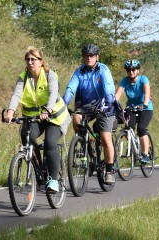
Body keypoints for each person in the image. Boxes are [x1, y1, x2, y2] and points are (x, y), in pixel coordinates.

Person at [4, 46, 71, 193]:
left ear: (41, 61)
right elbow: (16, 95)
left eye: (33, 59)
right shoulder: (23, 77)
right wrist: (10, 112)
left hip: (55, 117)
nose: (30, 62)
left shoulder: (49, 75)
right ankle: (39, 169)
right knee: (26, 137)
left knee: (50, 142)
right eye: (27, 59)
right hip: (35, 118)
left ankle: (53, 180)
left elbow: (53, 93)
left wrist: (48, 110)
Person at [62, 44, 116, 184]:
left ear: (97, 57)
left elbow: (109, 87)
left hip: (104, 107)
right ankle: (84, 143)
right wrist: (63, 104)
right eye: (86, 56)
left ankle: (109, 171)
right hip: (85, 107)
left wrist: (109, 102)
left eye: (91, 56)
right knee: (76, 118)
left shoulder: (103, 70)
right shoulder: (79, 71)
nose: (89, 58)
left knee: (105, 137)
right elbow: (71, 89)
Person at [115, 59, 153, 164]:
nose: (131, 72)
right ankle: (133, 147)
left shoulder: (143, 79)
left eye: (133, 69)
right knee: (128, 127)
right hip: (131, 107)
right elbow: (117, 96)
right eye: (128, 70)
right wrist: (112, 105)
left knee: (141, 129)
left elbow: (147, 93)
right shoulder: (124, 81)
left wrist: (144, 104)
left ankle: (145, 155)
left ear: (138, 70)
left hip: (145, 108)